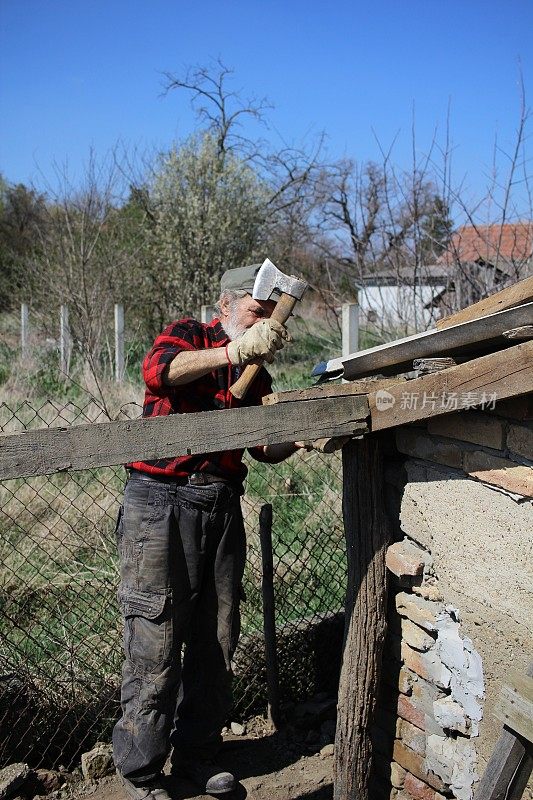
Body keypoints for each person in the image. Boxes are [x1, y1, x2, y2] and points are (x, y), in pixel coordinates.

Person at [112, 263, 309, 800]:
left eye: (270, 315)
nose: (264, 322)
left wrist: (303, 437)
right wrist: (232, 352)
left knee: (216, 638)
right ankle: (142, 773)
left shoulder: (257, 373)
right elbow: (159, 373)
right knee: (154, 639)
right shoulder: (188, 335)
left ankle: (196, 759)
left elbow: (264, 448)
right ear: (225, 306)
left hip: (219, 505)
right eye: (255, 311)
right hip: (159, 501)